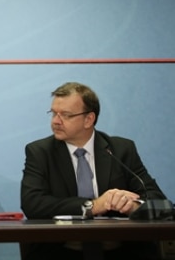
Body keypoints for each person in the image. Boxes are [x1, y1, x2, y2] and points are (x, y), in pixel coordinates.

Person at [21, 82, 167, 260]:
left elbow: (158, 200)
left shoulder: (120, 149)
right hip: (61, 251)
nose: (55, 121)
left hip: (122, 250)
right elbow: (33, 203)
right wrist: (93, 206)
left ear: (89, 119)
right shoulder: (40, 152)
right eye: (53, 114)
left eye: (65, 115)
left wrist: (133, 206)